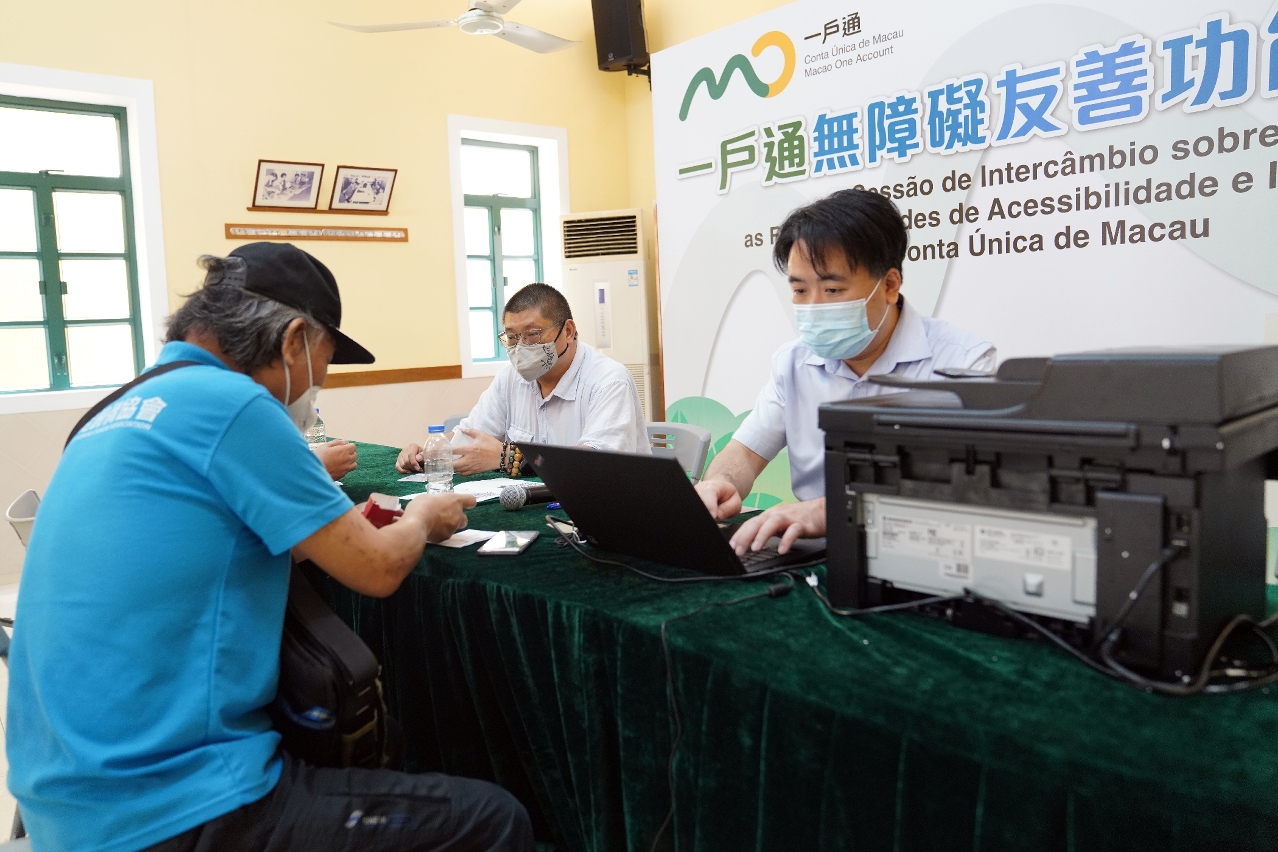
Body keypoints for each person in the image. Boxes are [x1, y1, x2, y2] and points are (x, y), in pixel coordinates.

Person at [7, 242, 533, 852]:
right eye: (323, 365)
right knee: (493, 820)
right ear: (292, 341)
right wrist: (420, 518)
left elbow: (205, 554)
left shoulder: (115, 409)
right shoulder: (234, 405)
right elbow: (379, 568)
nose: (317, 387)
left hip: (61, 806)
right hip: (174, 808)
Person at [695, 189, 995, 557]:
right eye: (800, 290)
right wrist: (720, 482)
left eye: (832, 289)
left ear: (889, 286)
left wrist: (828, 511)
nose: (813, 306)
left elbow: (965, 490)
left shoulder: (964, 363)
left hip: (924, 554)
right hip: (814, 557)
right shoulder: (793, 363)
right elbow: (744, 452)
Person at [397, 283, 649, 476]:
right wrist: (430, 452)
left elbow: (596, 464)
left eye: (532, 334)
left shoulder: (609, 381)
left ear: (568, 331)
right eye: (511, 337)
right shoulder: (510, 378)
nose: (520, 347)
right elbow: (472, 435)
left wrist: (509, 458)